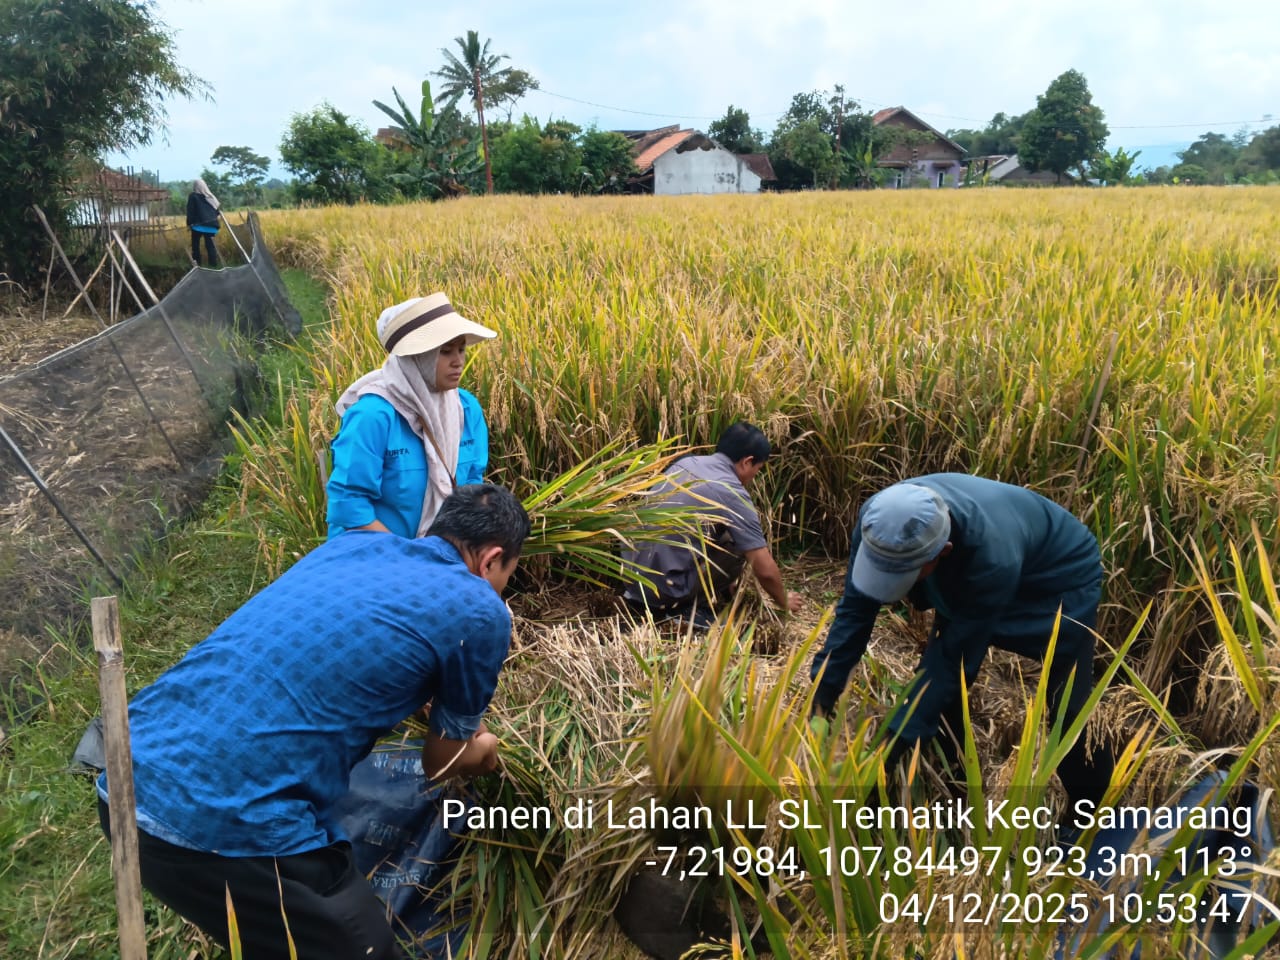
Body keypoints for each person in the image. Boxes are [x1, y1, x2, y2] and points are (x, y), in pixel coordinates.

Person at [96, 484, 530, 960]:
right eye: (507, 573)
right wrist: (484, 750)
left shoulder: (353, 545)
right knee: (366, 949)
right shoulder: (479, 607)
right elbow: (441, 765)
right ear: (491, 560)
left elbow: (345, 645)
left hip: (126, 773)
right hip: (222, 822)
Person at [809, 473, 1114, 811]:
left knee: (1066, 703)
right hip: (981, 559)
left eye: (902, 574)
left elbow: (951, 662)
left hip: (1057, 577)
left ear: (942, 554)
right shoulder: (880, 522)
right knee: (947, 692)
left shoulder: (991, 558)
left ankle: (1091, 809)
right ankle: (955, 781)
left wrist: (884, 753)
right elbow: (855, 611)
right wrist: (821, 698)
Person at [327, 293, 495, 539]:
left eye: (461, 349)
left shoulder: (466, 410)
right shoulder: (373, 417)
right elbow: (349, 504)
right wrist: (408, 558)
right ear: (416, 357)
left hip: (437, 552)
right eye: (446, 351)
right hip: (370, 555)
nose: (458, 361)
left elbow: (471, 485)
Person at [622, 422, 802, 629]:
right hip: (661, 592)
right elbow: (764, 570)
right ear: (747, 462)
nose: (754, 477)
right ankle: (681, 608)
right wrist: (784, 600)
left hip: (631, 577)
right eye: (757, 470)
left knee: (721, 533)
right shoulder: (731, 491)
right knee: (739, 546)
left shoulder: (685, 463)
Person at [185, 178, 221, 267]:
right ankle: (213, 266)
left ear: (195, 186)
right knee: (211, 247)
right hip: (212, 226)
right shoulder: (210, 197)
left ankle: (197, 266)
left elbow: (190, 211)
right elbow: (217, 212)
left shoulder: (193, 196)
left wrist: (189, 224)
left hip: (198, 226)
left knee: (195, 246)